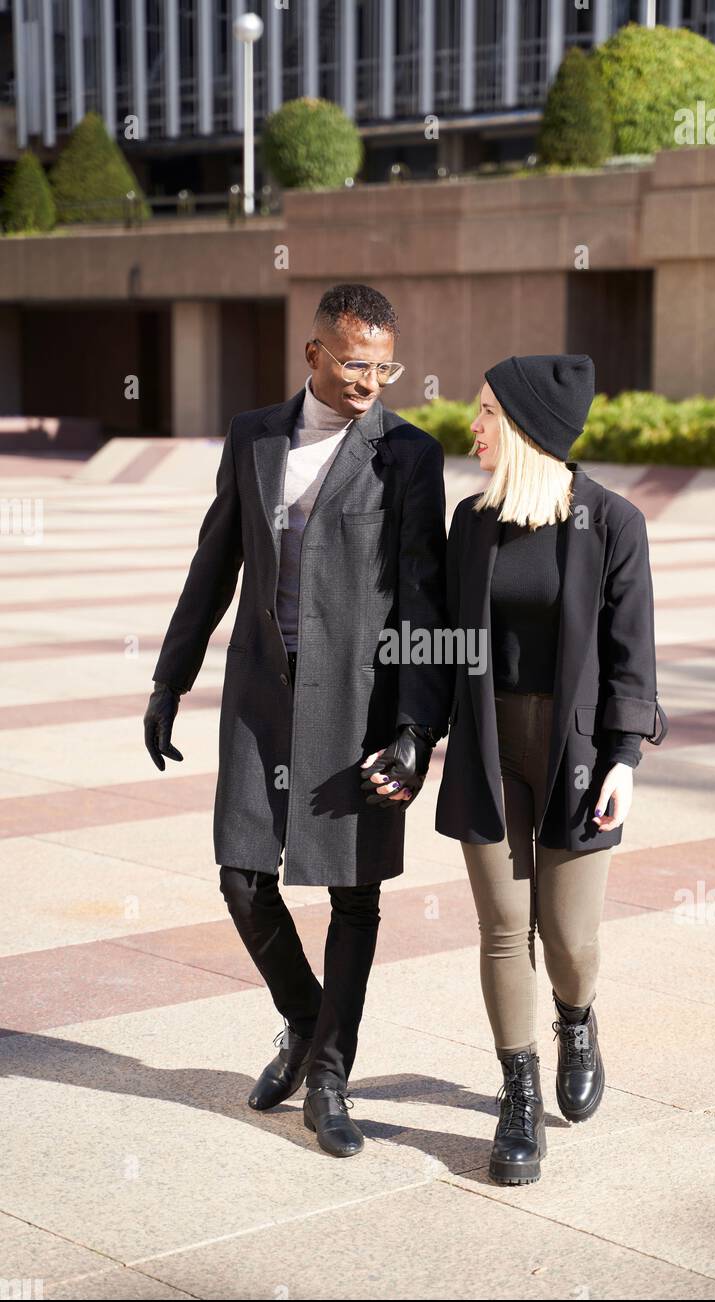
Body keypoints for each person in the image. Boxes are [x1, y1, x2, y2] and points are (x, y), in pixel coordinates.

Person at [144, 284, 452, 1158]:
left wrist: (417, 727)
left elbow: (424, 601)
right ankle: (306, 1022)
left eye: (385, 366)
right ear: (313, 353)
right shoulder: (254, 436)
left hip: (359, 701)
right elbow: (215, 564)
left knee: (354, 895)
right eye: (355, 362)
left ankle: (328, 1078)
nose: (371, 381)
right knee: (242, 875)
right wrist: (171, 678)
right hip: (259, 697)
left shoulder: (408, 456)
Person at [435, 354, 667, 1185]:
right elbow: (441, 648)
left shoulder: (612, 524)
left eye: (488, 411)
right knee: (505, 927)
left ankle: (577, 1018)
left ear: (528, 425)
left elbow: (631, 658)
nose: (474, 425)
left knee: (569, 938)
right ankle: (518, 1093)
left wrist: (624, 760)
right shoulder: (471, 523)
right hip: (489, 753)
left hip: (575, 754)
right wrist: (409, 733)